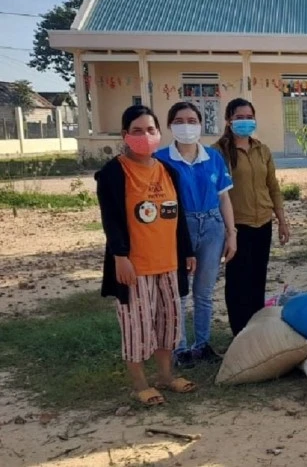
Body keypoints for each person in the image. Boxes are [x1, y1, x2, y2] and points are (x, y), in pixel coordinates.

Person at [94, 105, 197, 406]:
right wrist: (120, 257)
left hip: (168, 264)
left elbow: (178, 217)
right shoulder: (114, 173)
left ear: (158, 133)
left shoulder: (168, 171)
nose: (145, 136)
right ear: (125, 135)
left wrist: (187, 251)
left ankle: (166, 376)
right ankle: (140, 384)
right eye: (137, 131)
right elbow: (110, 219)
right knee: (137, 326)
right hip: (135, 267)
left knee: (168, 323)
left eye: (150, 130)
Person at [155, 102, 237, 368]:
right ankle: (180, 348)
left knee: (204, 291)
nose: (187, 126)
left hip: (212, 226)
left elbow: (224, 198)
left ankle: (201, 345)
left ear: (201, 124)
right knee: (179, 290)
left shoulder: (213, 158)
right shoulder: (160, 160)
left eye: (192, 120)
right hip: (178, 228)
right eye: (180, 120)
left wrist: (231, 233)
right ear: (169, 125)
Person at [215, 98, 290, 336]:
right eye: (239, 117)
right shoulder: (218, 152)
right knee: (238, 281)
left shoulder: (262, 150)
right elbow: (217, 191)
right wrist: (226, 230)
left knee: (258, 278)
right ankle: (239, 333)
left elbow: (273, 186)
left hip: (263, 224)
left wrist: (282, 220)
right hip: (236, 227)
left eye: (249, 117)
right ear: (228, 120)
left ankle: (256, 332)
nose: (245, 121)